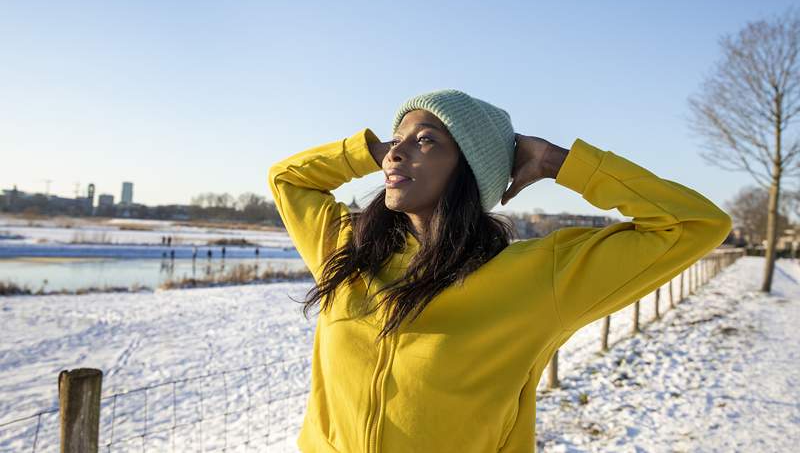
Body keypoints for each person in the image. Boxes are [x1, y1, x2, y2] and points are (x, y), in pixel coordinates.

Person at [267, 88, 732, 453]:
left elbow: (693, 224)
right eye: (395, 141)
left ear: (471, 168)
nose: (395, 153)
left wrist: (557, 162)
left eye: (424, 140)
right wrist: (364, 151)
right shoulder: (348, 249)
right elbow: (287, 179)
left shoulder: (537, 277)